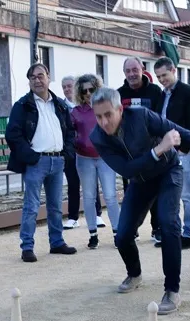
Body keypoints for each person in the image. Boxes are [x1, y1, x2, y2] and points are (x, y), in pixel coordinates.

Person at [89, 87, 190, 315]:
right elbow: (127, 170)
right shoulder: (97, 137)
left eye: (108, 114)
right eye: (98, 116)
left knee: (169, 224)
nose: (104, 122)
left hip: (168, 172)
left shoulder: (141, 116)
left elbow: (185, 135)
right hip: (140, 181)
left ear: (120, 109)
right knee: (123, 235)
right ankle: (135, 273)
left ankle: (172, 290)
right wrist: (159, 149)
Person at [5, 63, 77, 263]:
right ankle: (27, 246)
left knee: (55, 206)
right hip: (36, 161)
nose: (37, 80)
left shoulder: (60, 105)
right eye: (32, 77)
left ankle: (57, 242)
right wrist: (31, 157)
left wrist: (67, 154)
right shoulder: (22, 105)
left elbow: (70, 131)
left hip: (58, 160)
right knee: (32, 206)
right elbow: (12, 134)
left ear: (48, 77)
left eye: (40, 76)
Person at [152, 57, 190, 249]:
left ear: (174, 70)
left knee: (187, 195)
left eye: (164, 75)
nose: (162, 79)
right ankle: (174, 234)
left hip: (184, 152)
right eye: (158, 77)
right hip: (165, 153)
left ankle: (188, 235)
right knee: (168, 196)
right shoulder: (161, 95)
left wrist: (183, 149)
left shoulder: (189, 93)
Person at [71, 73, 121, 250]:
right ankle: (93, 234)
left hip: (105, 157)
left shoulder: (103, 109)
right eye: (84, 91)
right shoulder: (76, 112)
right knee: (89, 196)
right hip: (84, 158)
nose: (88, 94)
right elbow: (70, 133)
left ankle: (118, 232)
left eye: (91, 89)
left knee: (110, 195)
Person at [118, 56, 163, 244]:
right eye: (128, 71)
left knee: (155, 191)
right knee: (132, 193)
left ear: (142, 69)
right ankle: (132, 229)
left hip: (152, 149)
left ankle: (157, 228)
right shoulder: (119, 93)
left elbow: (161, 118)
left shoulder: (155, 91)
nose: (132, 74)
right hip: (129, 152)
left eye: (134, 70)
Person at [61, 75, 103, 229]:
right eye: (64, 86)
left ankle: (97, 215)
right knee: (73, 183)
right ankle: (73, 217)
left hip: (90, 152)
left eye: (69, 86)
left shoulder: (93, 106)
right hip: (72, 151)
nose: (67, 89)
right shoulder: (61, 105)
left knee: (92, 184)